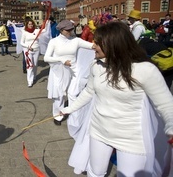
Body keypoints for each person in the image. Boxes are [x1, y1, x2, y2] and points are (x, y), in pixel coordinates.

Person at [61, 21, 173, 176]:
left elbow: (167, 105)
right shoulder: (96, 65)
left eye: (97, 43)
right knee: (95, 172)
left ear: (113, 45)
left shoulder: (145, 70)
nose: (93, 46)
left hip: (131, 139)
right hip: (99, 131)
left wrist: (171, 128)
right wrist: (68, 110)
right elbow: (88, 92)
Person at [44, 20, 94, 125]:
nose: (70, 31)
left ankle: (75, 117)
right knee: (59, 96)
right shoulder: (54, 42)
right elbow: (46, 58)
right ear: (62, 30)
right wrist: (62, 60)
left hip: (74, 72)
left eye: (72, 29)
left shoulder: (76, 40)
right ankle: (58, 115)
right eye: (68, 30)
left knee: (73, 94)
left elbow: (91, 46)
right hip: (59, 72)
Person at [20, 20, 41, 88]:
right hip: (28, 51)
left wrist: (46, 22)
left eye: (32, 24)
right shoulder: (25, 32)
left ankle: (34, 76)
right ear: (27, 25)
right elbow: (21, 42)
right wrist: (28, 47)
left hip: (36, 49)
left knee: (35, 64)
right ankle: (30, 81)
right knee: (29, 65)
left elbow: (44, 30)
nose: (31, 25)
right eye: (29, 24)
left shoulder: (36, 31)